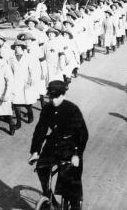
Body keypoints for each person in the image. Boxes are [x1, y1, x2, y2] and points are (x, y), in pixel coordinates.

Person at [29, 80, 88, 210]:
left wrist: (77, 155)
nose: (54, 100)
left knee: (70, 182)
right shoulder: (47, 109)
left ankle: (75, 204)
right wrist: (35, 151)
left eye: (57, 97)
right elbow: (40, 130)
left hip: (71, 146)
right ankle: (47, 194)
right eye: (51, 97)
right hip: (53, 144)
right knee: (41, 167)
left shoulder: (72, 109)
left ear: (63, 95)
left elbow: (83, 134)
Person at [9, 40, 38, 130]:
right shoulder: (11, 58)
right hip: (15, 82)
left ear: (22, 48)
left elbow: (32, 70)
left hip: (25, 82)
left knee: (27, 102)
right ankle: (18, 122)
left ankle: (30, 113)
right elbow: (9, 71)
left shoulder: (27, 57)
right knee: (16, 103)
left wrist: (31, 79)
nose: (16, 49)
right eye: (15, 47)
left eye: (18, 47)